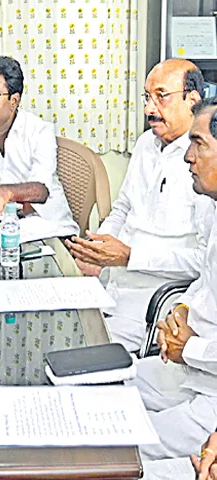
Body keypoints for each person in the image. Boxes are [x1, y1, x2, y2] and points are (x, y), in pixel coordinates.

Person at [66, 59, 214, 352]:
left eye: (161, 96)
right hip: (111, 280)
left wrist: (131, 257)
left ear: (192, 100)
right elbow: (123, 208)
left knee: (83, 356)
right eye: (147, 97)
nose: (149, 109)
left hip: (152, 298)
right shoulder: (147, 143)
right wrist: (97, 249)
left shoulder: (207, 167)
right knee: (57, 329)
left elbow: (203, 261)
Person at [127, 95, 217, 461]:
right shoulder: (214, 208)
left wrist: (189, 348)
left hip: (210, 391)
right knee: (110, 387)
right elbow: (205, 282)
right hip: (190, 368)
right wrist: (180, 310)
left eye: (199, 145)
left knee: (124, 446)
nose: (187, 157)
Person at [0, 56, 78, 236]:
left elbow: (41, 190)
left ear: (14, 100)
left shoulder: (39, 131)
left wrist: (8, 192)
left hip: (47, 228)